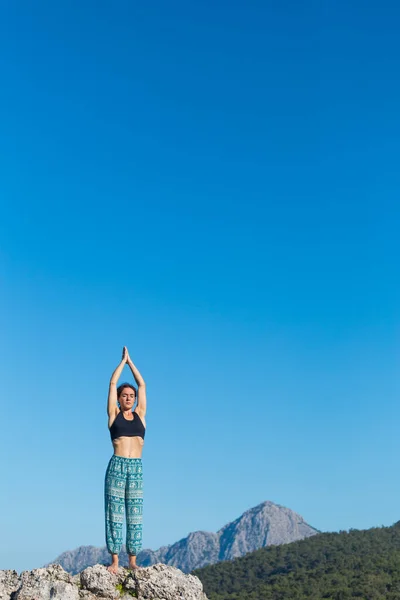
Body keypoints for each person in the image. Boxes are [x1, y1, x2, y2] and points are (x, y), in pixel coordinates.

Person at [104, 346, 147, 573]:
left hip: (136, 467)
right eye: (125, 396)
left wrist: (132, 363)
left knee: (135, 513)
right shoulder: (114, 415)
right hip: (117, 466)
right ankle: (114, 561)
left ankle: (132, 560)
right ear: (119, 400)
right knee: (115, 513)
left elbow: (142, 385)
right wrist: (122, 363)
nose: (129, 398)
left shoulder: (140, 415)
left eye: (131, 396)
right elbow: (112, 384)